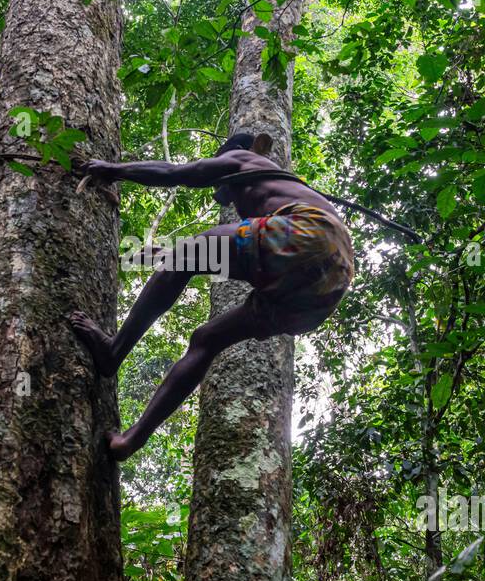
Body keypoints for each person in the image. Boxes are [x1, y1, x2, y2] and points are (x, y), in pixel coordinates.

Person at [69, 131, 355, 460]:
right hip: (327, 289)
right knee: (206, 339)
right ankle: (129, 441)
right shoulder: (277, 186)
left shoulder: (243, 159)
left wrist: (114, 169)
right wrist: (172, 254)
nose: (230, 201)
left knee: (188, 254)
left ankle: (114, 350)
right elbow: (217, 255)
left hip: (311, 234)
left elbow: (174, 173)